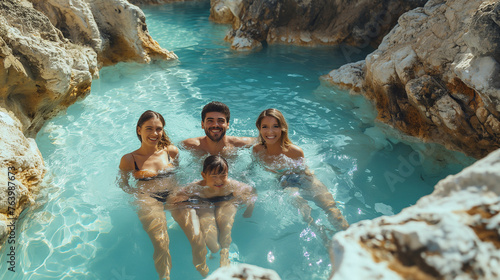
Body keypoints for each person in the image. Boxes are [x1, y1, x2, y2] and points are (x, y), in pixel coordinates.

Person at [253, 108, 349, 232]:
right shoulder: (257, 150)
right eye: (265, 126)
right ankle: (323, 236)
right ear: (259, 128)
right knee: (305, 213)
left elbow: (305, 172)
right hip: (285, 184)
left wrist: (312, 187)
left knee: (331, 208)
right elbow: (254, 170)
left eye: (275, 126)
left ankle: (350, 237)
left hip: (305, 179)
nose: (270, 131)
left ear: (282, 128)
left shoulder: (295, 151)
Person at [169, 155, 256, 276]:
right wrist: (189, 208)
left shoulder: (232, 185)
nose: (219, 180)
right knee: (212, 243)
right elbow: (173, 202)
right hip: (205, 206)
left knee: (226, 227)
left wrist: (248, 210)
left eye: (223, 175)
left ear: (228, 174)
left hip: (226, 202)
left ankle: (225, 252)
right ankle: (213, 251)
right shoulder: (196, 187)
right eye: (214, 176)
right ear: (203, 175)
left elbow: (252, 192)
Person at [118, 110, 179, 280]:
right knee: (161, 241)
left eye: (158, 129)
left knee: (195, 225)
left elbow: (178, 174)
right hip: (148, 197)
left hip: (172, 192)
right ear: (139, 130)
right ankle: (164, 277)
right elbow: (123, 184)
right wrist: (138, 196)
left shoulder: (172, 152)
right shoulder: (129, 159)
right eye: (149, 128)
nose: (154, 133)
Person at [182, 101, 256, 157]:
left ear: (227, 124)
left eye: (221, 121)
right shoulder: (189, 145)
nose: (215, 125)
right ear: (202, 125)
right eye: (210, 121)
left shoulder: (239, 144)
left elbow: (262, 140)